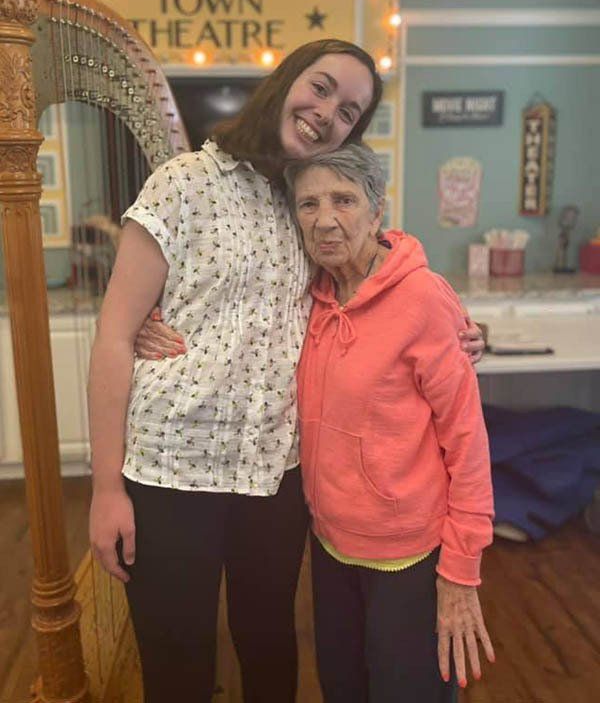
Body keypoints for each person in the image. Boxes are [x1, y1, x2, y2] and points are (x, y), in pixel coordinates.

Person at [88, 38, 486, 703]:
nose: (329, 112)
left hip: (275, 476)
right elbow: (112, 335)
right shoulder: (184, 181)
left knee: (272, 650)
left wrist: (459, 324)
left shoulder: (311, 201)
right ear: (287, 79)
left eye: (350, 111)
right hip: (171, 471)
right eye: (323, 87)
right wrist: (105, 488)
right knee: (177, 661)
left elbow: (387, 274)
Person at [281, 142, 495, 703]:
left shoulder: (422, 298)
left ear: (378, 211)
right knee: (343, 690)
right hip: (331, 546)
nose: (325, 219)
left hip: (409, 556)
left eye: (344, 200)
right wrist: (149, 318)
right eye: (308, 204)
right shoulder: (306, 295)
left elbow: (467, 441)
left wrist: (461, 572)